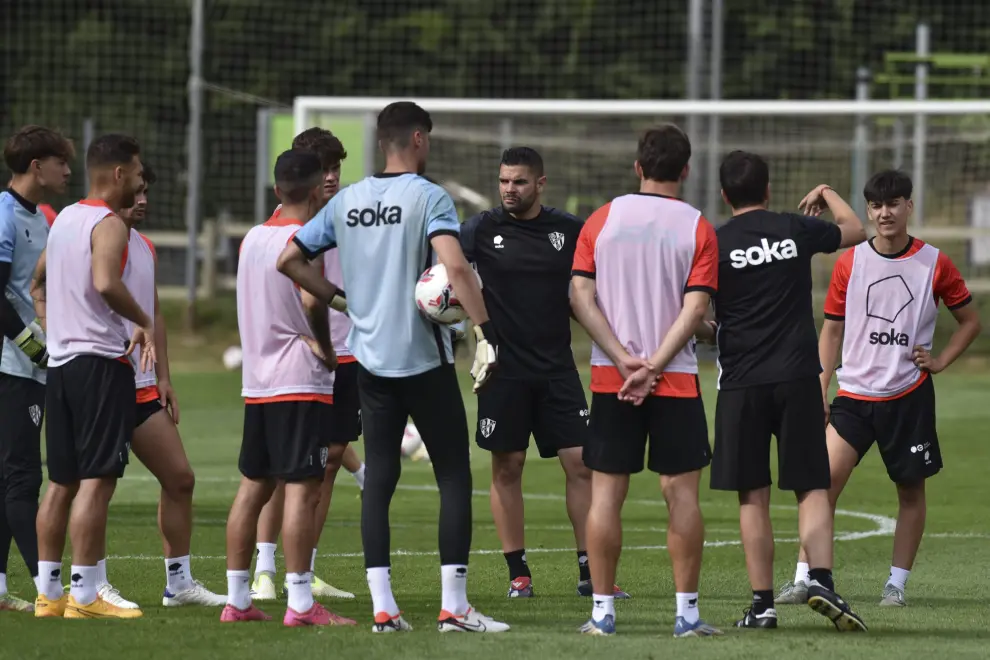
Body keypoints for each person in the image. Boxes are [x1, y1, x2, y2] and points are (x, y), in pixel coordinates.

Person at [277, 101, 508, 634]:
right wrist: (484, 331)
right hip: (422, 361)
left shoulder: (348, 199)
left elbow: (288, 258)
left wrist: (339, 301)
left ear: (381, 142)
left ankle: (384, 609)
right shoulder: (429, 196)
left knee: (379, 478)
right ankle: (454, 608)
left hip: (371, 363)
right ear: (419, 139)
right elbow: (453, 265)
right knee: (453, 474)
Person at [777, 170, 980, 608]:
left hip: (908, 396)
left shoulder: (935, 263)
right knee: (821, 484)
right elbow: (831, 332)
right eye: (875, 205)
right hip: (853, 396)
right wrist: (821, 385)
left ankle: (896, 585)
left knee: (910, 492)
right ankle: (802, 578)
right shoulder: (850, 262)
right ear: (868, 210)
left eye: (893, 204)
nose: (884, 213)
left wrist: (941, 360)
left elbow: (970, 321)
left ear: (909, 207)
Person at [705, 150, 867, 631]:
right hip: (798, 377)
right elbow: (857, 231)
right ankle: (821, 580)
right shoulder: (794, 229)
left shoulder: (714, 242)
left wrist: (711, 329)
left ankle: (762, 606)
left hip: (742, 382)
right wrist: (826, 192)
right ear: (769, 189)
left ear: (723, 194)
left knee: (752, 495)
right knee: (811, 486)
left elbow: (699, 311)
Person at [570, 124, 720, 638]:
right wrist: (655, 364)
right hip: (674, 377)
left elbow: (580, 298)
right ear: (685, 170)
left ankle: (603, 615)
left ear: (638, 167)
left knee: (606, 496)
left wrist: (624, 359)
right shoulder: (699, 226)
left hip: (613, 377)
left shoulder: (601, 219)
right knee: (681, 496)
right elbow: (696, 306)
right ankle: (686, 614)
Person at [459, 146, 627, 600]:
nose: (508, 190)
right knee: (508, 466)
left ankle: (591, 571)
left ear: (540, 184)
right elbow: (446, 274)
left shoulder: (569, 231)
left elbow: (588, 294)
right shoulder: (479, 229)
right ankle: (519, 574)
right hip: (502, 371)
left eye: (518, 182)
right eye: (503, 181)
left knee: (581, 465)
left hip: (556, 369)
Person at [221, 149, 356, 627]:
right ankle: (301, 602)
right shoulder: (305, 240)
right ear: (320, 186)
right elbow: (309, 299)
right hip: (299, 379)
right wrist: (327, 348)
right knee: (303, 489)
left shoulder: (252, 238)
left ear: (277, 190)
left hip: (257, 382)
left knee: (253, 487)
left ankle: (237, 600)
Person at [80, 165, 224, 609]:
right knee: (96, 483)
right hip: (104, 376)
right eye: (138, 192)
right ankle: (90, 585)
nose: (143, 200)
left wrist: (164, 377)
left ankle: (178, 584)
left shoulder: (144, 246)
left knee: (180, 478)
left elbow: (154, 313)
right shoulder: (95, 233)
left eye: (147, 194)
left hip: (142, 386)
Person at [32, 133, 152, 619]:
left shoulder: (62, 221)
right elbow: (106, 282)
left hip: (60, 366)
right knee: (97, 481)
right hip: (99, 364)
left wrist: (49, 320)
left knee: (60, 481)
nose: (142, 184)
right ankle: (85, 595)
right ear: (119, 174)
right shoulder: (107, 222)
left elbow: (37, 281)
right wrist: (142, 320)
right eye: (140, 175)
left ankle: (48, 593)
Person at [252, 127, 360, 603]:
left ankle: (306, 566)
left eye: (337, 167)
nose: (332, 177)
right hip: (298, 360)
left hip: (347, 352)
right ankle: (265, 567)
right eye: (325, 168)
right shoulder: (283, 227)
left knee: (328, 463)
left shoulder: (347, 217)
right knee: (282, 470)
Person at [0, 126, 73, 612]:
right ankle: (49, 588)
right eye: (59, 162)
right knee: (23, 477)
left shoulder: (39, 218)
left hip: (27, 365)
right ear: (35, 167)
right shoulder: (5, 215)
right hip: (12, 366)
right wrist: (34, 347)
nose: (68, 171)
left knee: (8, 479)